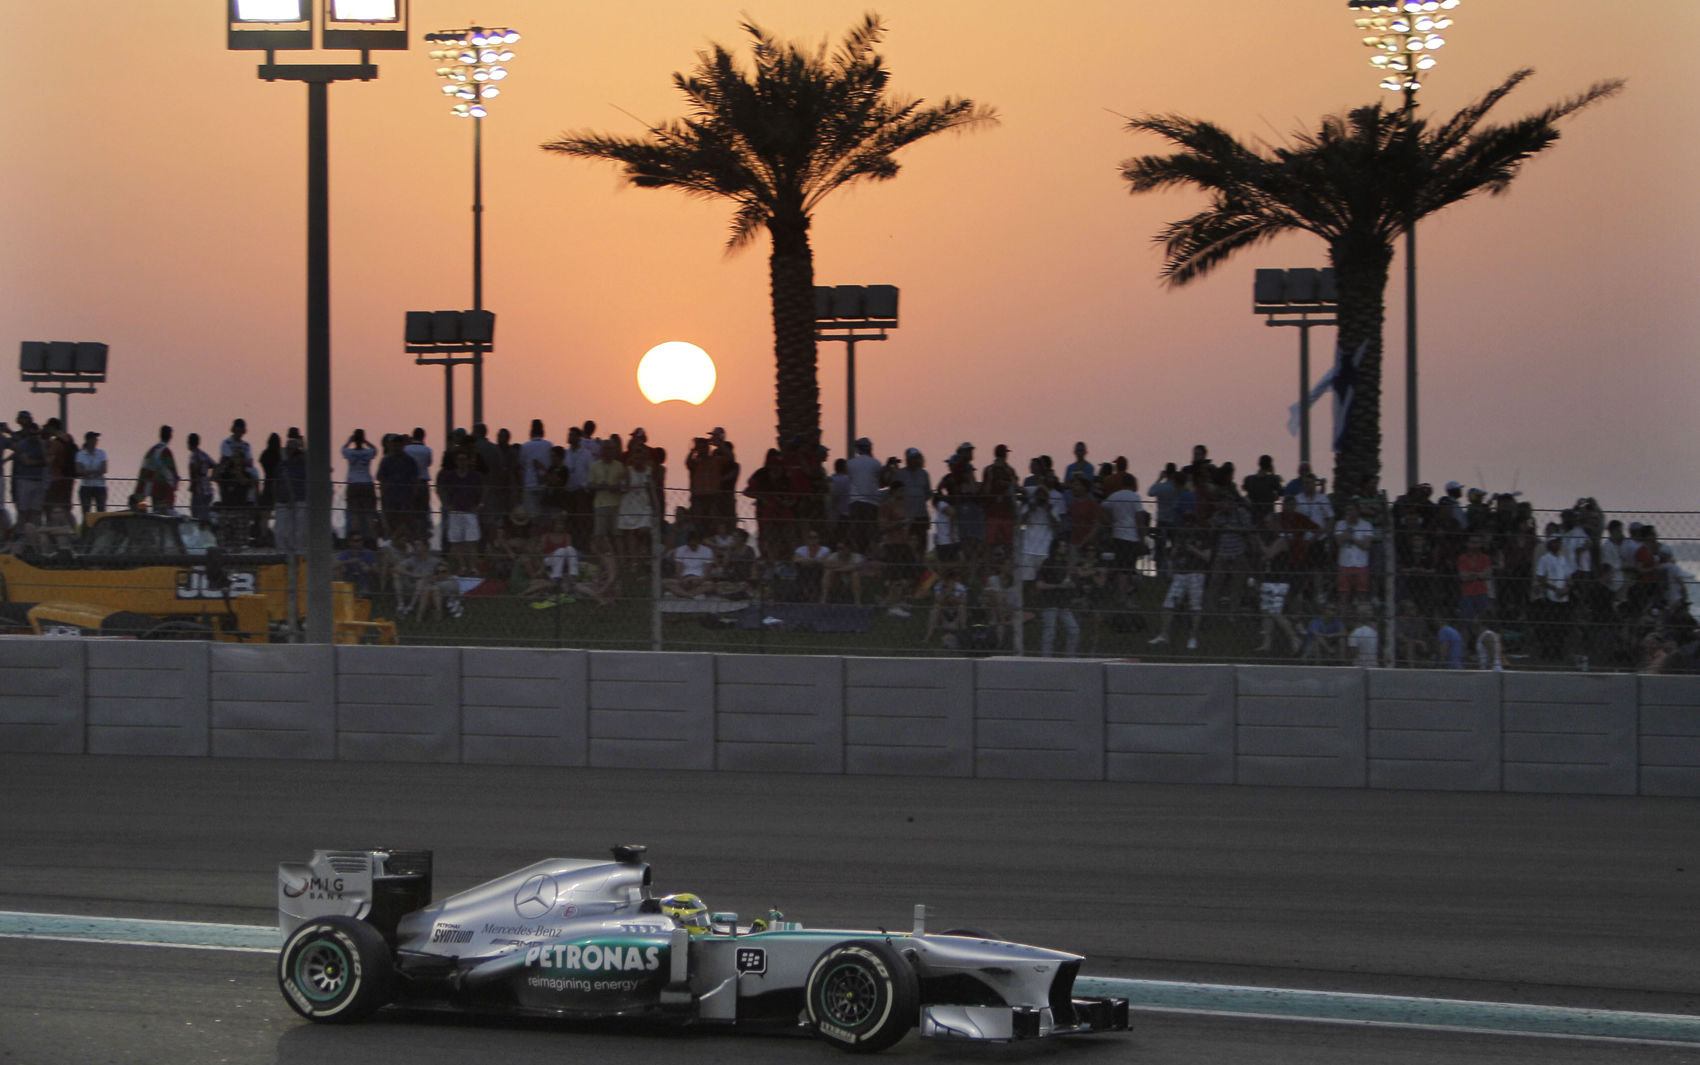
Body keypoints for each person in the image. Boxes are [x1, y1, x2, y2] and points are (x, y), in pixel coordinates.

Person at [1148, 514, 1211, 650]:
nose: (1188, 525)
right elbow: (1173, 555)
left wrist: (1192, 549)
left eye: (1191, 522)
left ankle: (1193, 638)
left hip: (1196, 573)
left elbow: (1207, 557)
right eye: (1186, 522)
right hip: (1180, 573)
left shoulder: (1202, 536)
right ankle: (1164, 635)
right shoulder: (1180, 535)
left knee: (1195, 606)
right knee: (1168, 604)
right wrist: (1175, 551)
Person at [437, 450, 485, 576]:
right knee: (457, 542)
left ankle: (473, 568)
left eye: (464, 459)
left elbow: (484, 490)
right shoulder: (450, 476)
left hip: (470, 513)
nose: (462, 462)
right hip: (455, 512)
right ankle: (463, 567)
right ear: (456, 461)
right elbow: (441, 489)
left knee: (472, 542)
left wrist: (480, 505)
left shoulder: (475, 476)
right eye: (459, 459)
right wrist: (445, 504)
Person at [1033, 540, 1080, 657]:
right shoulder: (1047, 563)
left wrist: (1070, 584)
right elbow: (1039, 584)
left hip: (1063, 602)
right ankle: (1046, 657)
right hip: (1050, 602)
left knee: (1074, 630)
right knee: (1050, 632)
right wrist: (1058, 586)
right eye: (1063, 546)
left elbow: (1071, 582)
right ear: (1056, 548)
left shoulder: (1065, 564)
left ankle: (1069, 656)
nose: (1065, 548)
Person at [878, 480, 917, 616]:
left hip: (903, 542)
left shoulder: (903, 504)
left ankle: (897, 600)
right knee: (895, 576)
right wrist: (900, 523)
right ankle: (892, 606)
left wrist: (908, 522)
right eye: (901, 490)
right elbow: (882, 527)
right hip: (892, 543)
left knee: (904, 574)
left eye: (904, 490)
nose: (903, 493)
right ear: (894, 491)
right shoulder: (887, 506)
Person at [1533, 536, 1576, 660]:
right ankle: (1547, 650)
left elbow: (1568, 576)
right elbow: (1540, 577)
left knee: (1561, 626)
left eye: (1559, 542)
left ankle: (1558, 650)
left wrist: (1567, 589)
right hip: (1550, 597)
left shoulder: (1563, 559)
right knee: (1548, 625)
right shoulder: (1545, 559)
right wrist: (1554, 588)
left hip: (1564, 597)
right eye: (1555, 542)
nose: (1558, 544)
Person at [845, 437, 883, 553]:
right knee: (871, 532)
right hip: (872, 502)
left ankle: (858, 554)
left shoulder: (851, 463)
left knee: (857, 532)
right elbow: (879, 479)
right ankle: (870, 554)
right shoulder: (876, 463)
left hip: (855, 502)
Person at [1333, 502, 1374, 608]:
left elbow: (1366, 545)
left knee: (1362, 594)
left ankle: (1363, 617)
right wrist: (1346, 534)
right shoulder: (1340, 524)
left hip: (1361, 565)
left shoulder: (1366, 525)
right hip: (1344, 564)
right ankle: (1343, 619)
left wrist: (1350, 538)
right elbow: (1339, 542)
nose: (1349, 513)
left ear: (1358, 511)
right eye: (1347, 510)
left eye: (1351, 510)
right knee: (1343, 595)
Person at [274, 431, 307, 555]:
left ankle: (298, 552)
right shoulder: (282, 465)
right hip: (283, 500)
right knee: (281, 529)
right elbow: (276, 482)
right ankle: (282, 552)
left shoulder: (304, 465)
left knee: (299, 528)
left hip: (300, 499)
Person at [342, 429, 378, 542]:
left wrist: (349, 441)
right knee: (369, 514)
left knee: (354, 514)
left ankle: (356, 539)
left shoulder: (349, 452)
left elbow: (343, 449)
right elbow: (375, 449)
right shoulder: (368, 452)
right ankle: (372, 540)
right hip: (367, 483)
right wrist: (366, 442)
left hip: (353, 483)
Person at [137, 425, 179, 515]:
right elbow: (171, 472)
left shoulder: (152, 451)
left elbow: (145, 469)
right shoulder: (166, 451)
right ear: (170, 436)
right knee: (164, 514)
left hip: (153, 487)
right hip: (162, 488)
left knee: (156, 512)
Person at [664, 526, 716, 598]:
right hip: (684, 579)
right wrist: (682, 580)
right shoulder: (681, 550)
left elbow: (707, 572)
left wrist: (699, 581)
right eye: (690, 545)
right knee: (666, 582)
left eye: (694, 545)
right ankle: (691, 595)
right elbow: (678, 569)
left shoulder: (707, 551)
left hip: (699, 579)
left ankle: (681, 594)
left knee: (710, 585)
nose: (692, 547)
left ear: (698, 542)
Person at [518, 419, 553, 516]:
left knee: (531, 513)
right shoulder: (548, 445)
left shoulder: (525, 446)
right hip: (544, 484)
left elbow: (522, 464)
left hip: (529, 483)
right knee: (544, 513)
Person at [926, 566, 969, 644]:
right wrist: (946, 594)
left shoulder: (961, 587)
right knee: (937, 606)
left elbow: (964, 601)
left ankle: (964, 633)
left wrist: (954, 597)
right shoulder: (939, 586)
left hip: (956, 614)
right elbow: (938, 600)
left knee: (962, 607)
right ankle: (928, 636)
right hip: (943, 613)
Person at [821, 541, 868, 606]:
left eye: (841, 548)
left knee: (855, 574)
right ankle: (824, 598)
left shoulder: (857, 557)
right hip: (838, 579)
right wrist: (844, 566)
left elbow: (853, 567)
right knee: (828, 572)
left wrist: (835, 568)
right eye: (837, 548)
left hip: (852, 579)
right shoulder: (835, 555)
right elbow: (826, 564)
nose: (839, 550)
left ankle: (858, 601)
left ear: (848, 549)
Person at [75, 431, 107, 522]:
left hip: (99, 486)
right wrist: (95, 472)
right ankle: (86, 532)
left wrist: (87, 472)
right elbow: (79, 470)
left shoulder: (101, 453)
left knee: (101, 511)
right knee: (86, 512)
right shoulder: (80, 454)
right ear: (88, 440)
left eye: (96, 439)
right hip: (86, 486)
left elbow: (103, 469)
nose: (96, 441)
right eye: (93, 439)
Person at [1242, 455, 1283, 524]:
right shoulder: (1272, 479)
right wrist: (1273, 473)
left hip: (1253, 513)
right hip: (1268, 513)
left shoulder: (1249, 479)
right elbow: (1281, 492)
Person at [186, 432, 215, 523]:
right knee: (204, 515)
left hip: (199, 491)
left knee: (197, 518)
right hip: (208, 490)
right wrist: (211, 477)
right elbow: (215, 465)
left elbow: (195, 469)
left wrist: (194, 482)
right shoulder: (204, 455)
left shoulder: (194, 456)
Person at [1348, 603, 1380, 667]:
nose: (1372, 612)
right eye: (1369, 610)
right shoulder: (1356, 633)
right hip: (1359, 667)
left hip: (1372, 666)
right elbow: (1353, 652)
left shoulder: (1374, 631)